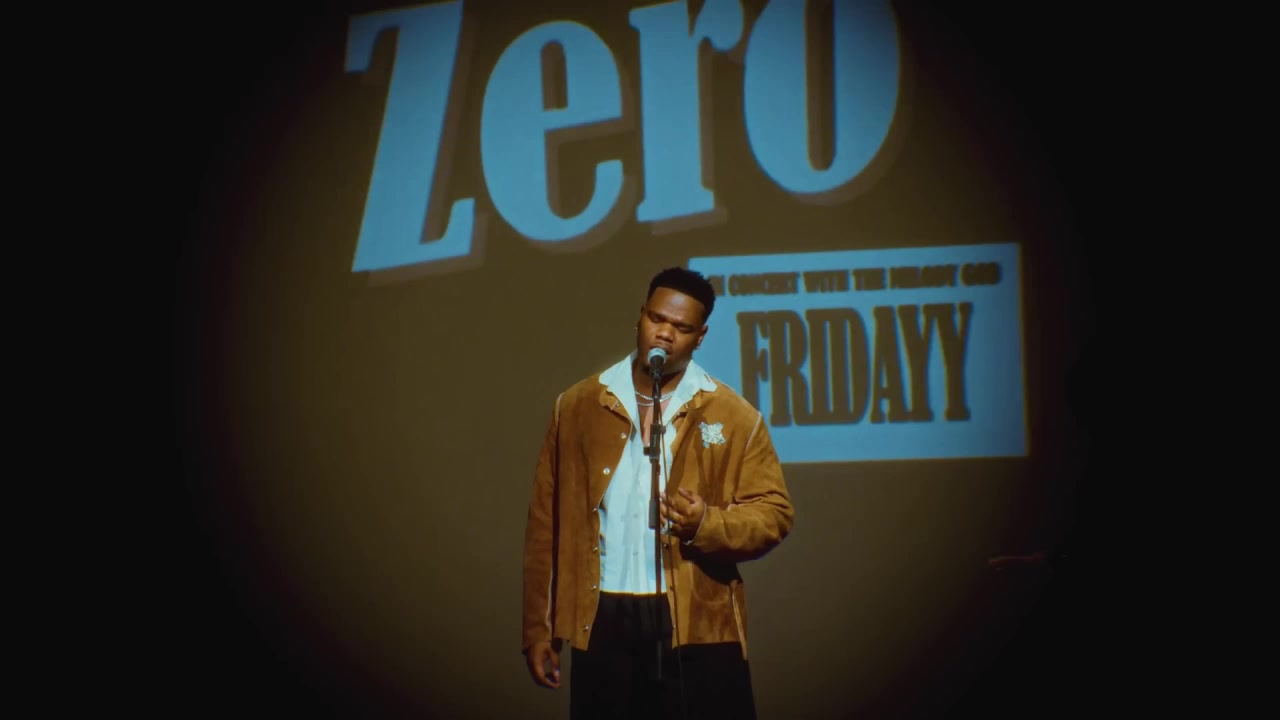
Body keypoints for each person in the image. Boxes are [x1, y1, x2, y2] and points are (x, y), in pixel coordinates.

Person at [521, 267, 794, 719]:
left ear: (700, 337)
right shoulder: (578, 405)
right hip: (601, 615)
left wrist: (707, 524)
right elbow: (545, 524)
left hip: (697, 622)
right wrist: (539, 628)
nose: (664, 334)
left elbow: (774, 513)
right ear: (640, 316)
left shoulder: (734, 415)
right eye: (656, 319)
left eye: (681, 328)